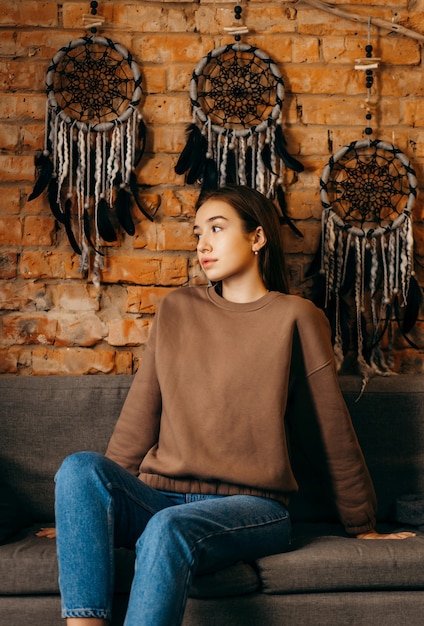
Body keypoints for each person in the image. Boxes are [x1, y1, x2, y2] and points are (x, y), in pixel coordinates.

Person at [51, 184, 414, 626]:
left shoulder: (295, 317)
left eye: (217, 229)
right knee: (78, 469)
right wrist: (88, 519)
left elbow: (329, 428)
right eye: (198, 232)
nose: (203, 244)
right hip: (161, 497)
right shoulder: (177, 309)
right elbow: (141, 413)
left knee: (168, 530)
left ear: (257, 238)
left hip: (251, 507)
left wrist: (363, 524)